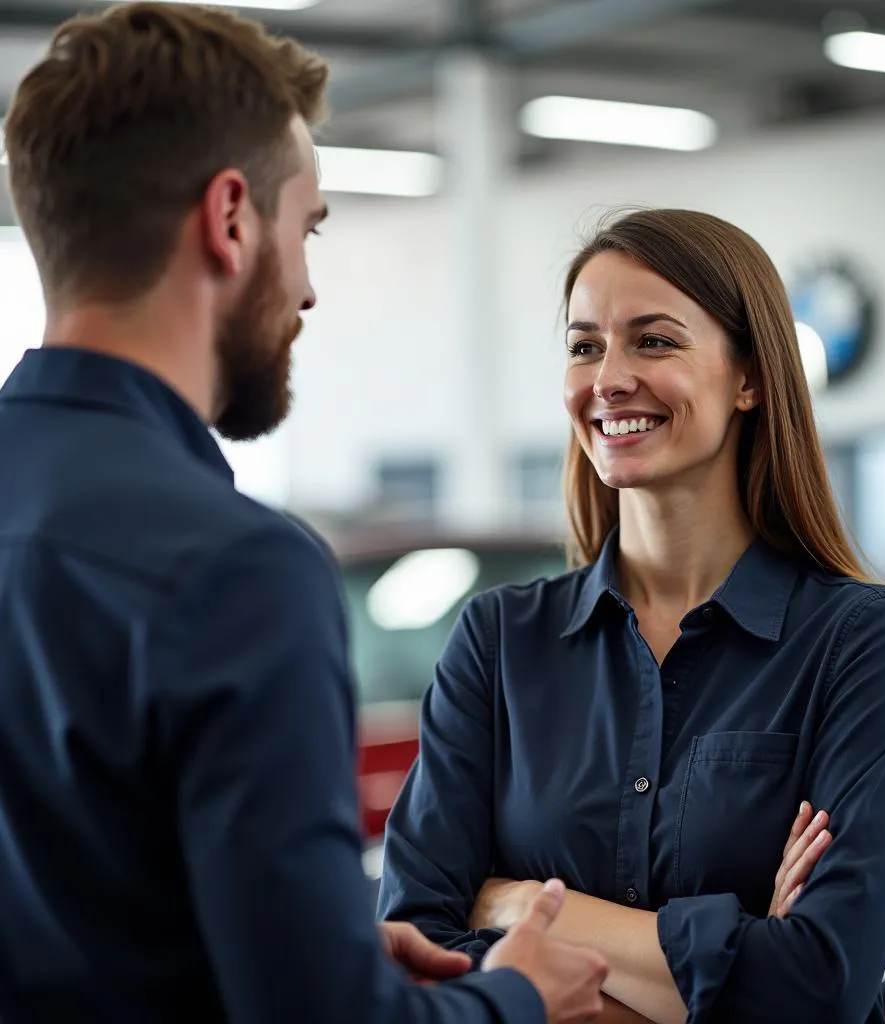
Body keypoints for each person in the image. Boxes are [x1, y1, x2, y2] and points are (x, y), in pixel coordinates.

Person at [0, 4, 610, 1022]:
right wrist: (516, 998)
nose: (310, 291)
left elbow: (73, 901)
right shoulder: (236, 569)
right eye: (307, 228)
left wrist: (305, 936)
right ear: (230, 218)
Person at [377, 209, 885, 1024]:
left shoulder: (862, 642)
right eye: (583, 345)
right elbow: (417, 953)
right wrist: (731, 964)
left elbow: (821, 987)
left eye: (654, 340)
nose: (608, 377)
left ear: (749, 377)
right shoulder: (498, 642)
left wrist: (512, 908)